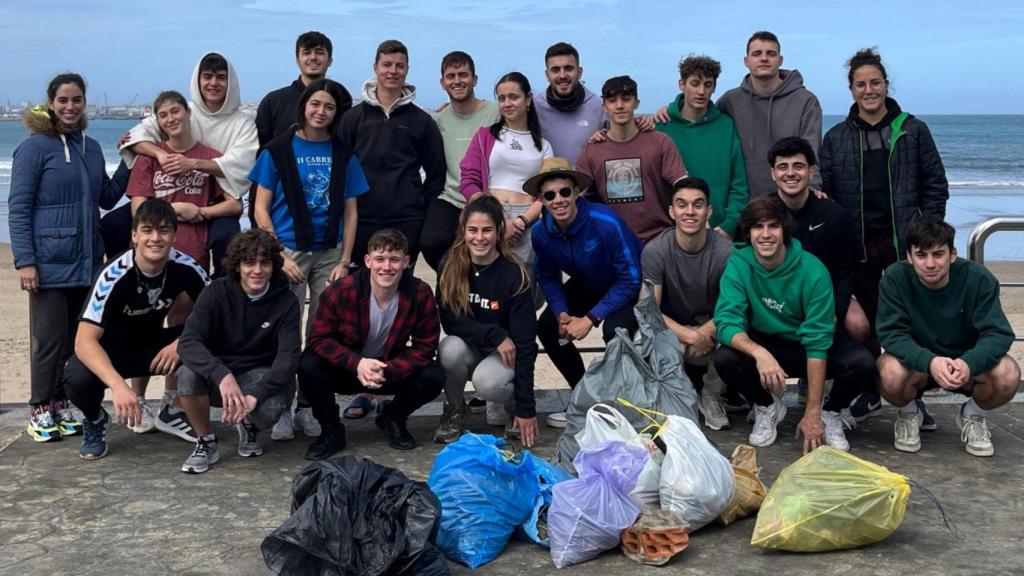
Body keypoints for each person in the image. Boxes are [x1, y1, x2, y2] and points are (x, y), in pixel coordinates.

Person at [820, 47, 949, 421]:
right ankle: (869, 392)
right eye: (861, 84)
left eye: (875, 82)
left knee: (909, 324)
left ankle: (912, 399)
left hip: (904, 245)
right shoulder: (837, 137)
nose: (869, 90)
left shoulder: (913, 129)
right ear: (851, 89)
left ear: (886, 84)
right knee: (865, 324)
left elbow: (936, 185)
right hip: (858, 246)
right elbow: (826, 193)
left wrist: (926, 236)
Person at [9, 73, 129, 443]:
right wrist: (25, 261)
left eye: (77, 100)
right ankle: (41, 408)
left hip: (87, 260)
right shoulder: (34, 147)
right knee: (48, 340)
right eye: (63, 100)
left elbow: (106, 198)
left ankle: (61, 404)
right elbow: (19, 208)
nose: (71, 106)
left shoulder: (91, 147)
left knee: (75, 341)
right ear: (50, 102)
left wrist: (126, 161)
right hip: (47, 262)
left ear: (84, 103)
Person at [250, 78, 369, 441]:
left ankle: (309, 406)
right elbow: (260, 208)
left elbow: (351, 213)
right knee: (283, 334)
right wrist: (277, 255)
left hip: (330, 253)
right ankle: (282, 408)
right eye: (315, 104)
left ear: (336, 114)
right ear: (304, 106)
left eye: (329, 107)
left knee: (321, 334)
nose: (321, 112)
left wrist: (345, 260)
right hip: (287, 251)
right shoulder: (276, 150)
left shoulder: (343, 153)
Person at [713, 196, 873, 452]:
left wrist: (811, 412)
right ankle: (766, 405)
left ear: (784, 230)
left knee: (862, 364)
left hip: (805, 343)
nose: (765, 235)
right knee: (725, 359)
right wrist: (759, 352)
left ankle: (829, 412)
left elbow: (818, 341)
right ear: (748, 232)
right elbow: (725, 322)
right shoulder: (738, 264)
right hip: (766, 342)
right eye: (758, 227)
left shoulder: (812, 270)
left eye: (773, 226)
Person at [63, 199, 209, 460]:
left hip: (155, 346)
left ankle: (173, 409)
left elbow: (218, 313)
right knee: (76, 377)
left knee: (203, 342)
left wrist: (181, 343)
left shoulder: (186, 266)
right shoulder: (113, 275)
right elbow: (84, 342)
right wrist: (118, 386)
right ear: (134, 236)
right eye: (147, 230)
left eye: (164, 230)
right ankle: (96, 420)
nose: (155, 238)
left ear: (174, 235)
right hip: (111, 351)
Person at [877, 217, 1019, 457]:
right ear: (909, 257)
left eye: (938, 254)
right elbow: (891, 333)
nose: (930, 263)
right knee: (888, 371)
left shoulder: (979, 279)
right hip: (918, 366)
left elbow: (998, 333)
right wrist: (930, 361)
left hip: (965, 364)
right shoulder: (895, 278)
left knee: (1008, 373)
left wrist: (968, 362)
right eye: (921, 255)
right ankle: (910, 413)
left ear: (952, 254)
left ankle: (972, 415)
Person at [298, 229, 444, 458]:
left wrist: (390, 369)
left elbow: (425, 346)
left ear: (406, 262)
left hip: (388, 369)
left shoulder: (420, 292)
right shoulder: (341, 291)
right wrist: (357, 363)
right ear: (367, 261)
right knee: (308, 364)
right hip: (348, 369)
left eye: (394, 259)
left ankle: (393, 418)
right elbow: (318, 339)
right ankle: (331, 430)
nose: (386, 267)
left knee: (433, 374)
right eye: (380, 259)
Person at [111, 52, 258, 275]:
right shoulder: (181, 109)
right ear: (197, 81)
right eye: (207, 76)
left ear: (231, 82)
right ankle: (123, 276)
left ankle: (219, 291)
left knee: (226, 238)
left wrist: (192, 164)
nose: (213, 83)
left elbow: (242, 165)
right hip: (167, 195)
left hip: (215, 195)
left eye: (220, 77)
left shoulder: (242, 124)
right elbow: (136, 138)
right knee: (114, 224)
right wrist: (160, 155)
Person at [526, 157, 643, 427]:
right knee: (546, 327)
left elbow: (632, 278)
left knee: (614, 332)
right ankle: (584, 398)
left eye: (565, 192)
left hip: (627, 286)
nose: (559, 200)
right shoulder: (541, 233)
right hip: (588, 282)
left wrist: (591, 319)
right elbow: (547, 275)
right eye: (550, 195)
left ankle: (620, 405)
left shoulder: (606, 222)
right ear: (541, 200)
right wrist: (561, 312)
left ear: (577, 192)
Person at [768, 136, 878, 420]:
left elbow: (845, 273)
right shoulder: (762, 215)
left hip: (823, 297)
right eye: (783, 167)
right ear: (772, 174)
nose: (790, 173)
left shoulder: (833, 214)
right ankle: (765, 403)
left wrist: (834, 312)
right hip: (776, 300)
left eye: (798, 166)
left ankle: (834, 407)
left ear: (811, 172)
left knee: (859, 325)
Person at [175, 229, 301, 473]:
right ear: (237, 265)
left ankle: (250, 425)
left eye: (265, 263)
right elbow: (188, 341)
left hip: (259, 372)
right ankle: (206, 440)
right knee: (186, 375)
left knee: (269, 410)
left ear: (274, 265)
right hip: (221, 374)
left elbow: (289, 357)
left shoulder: (286, 301)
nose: (257, 270)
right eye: (249, 262)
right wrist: (221, 374)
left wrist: (255, 395)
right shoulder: (215, 292)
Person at [434, 196, 538, 446]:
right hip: (476, 345)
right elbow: (450, 321)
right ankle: (455, 410)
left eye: (486, 230)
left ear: (499, 231)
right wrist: (495, 335)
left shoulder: (515, 274)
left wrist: (527, 408)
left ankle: (512, 408)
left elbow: (525, 343)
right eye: (472, 230)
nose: (479, 237)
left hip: (505, 356)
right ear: (463, 231)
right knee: (448, 348)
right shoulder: (450, 265)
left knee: (487, 383)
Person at [337, 39, 445, 265]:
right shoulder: (352, 118)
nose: (392, 71)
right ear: (375, 67)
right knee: (360, 290)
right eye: (386, 64)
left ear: (407, 70)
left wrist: (418, 209)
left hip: (406, 219)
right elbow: (339, 170)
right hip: (361, 218)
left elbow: (436, 173)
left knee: (403, 289)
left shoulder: (422, 121)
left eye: (399, 65)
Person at [641, 177, 733, 430]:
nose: (690, 212)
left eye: (697, 205)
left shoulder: (726, 252)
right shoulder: (655, 251)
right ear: (671, 211)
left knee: (736, 332)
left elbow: (732, 307)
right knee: (643, 337)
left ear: (709, 211)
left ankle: (711, 396)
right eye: (682, 205)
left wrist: (704, 332)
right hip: (673, 325)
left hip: (713, 324)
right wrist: (690, 337)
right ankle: (670, 404)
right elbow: (650, 310)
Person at [125, 91, 240, 271]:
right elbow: (138, 211)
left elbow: (235, 205)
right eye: (163, 115)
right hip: (151, 250)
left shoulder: (209, 157)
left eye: (175, 111)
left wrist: (200, 211)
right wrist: (175, 210)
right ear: (158, 122)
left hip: (193, 249)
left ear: (188, 112)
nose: (170, 119)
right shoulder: (148, 158)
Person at [575, 76, 687, 243]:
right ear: (604, 106)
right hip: (614, 242)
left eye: (626, 99)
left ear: (637, 103)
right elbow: (576, 195)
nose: (620, 106)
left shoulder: (660, 142)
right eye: (612, 101)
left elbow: (682, 184)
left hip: (659, 239)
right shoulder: (593, 149)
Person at [460, 72, 553, 265]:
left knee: (525, 286)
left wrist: (520, 222)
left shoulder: (543, 146)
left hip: (527, 222)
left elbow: (547, 193)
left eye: (514, 97)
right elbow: (469, 181)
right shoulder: (484, 136)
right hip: (487, 219)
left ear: (528, 99)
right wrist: (496, 218)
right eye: (502, 98)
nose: (507, 103)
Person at [419, 50, 500, 272]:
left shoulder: (496, 113)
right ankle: (455, 281)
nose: (457, 81)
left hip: (489, 197)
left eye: (463, 75)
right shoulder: (438, 120)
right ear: (442, 83)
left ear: (475, 79)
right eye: (451, 76)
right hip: (452, 197)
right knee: (431, 241)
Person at [717, 31, 823, 198]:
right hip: (745, 203)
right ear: (746, 61)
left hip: (791, 200)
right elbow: (703, 120)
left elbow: (812, 152)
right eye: (757, 54)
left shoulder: (806, 101)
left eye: (771, 54)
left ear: (780, 60)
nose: (764, 58)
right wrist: (671, 110)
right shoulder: (729, 101)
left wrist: (813, 187)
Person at [655, 55, 748, 240]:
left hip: (720, 233)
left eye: (707, 84)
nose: (701, 91)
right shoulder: (662, 127)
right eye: (695, 83)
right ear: (682, 84)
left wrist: (730, 225)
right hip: (674, 235)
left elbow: (739, 184)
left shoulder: (725, 125)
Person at [534, 42, 653, 166]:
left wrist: (643, 123)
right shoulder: (534, 107)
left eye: (569, 68)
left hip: (590, 183)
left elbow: (624, 135)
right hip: (548, 183)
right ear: (547, 75)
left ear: (579, 72)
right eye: (555, 70)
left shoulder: (598, 105)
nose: (562, 75)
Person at [255, 31, 352, 147]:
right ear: (297, 60)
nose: (313, 57)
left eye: (319, 52)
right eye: (306, 53)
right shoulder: (273, 102)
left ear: (330, 60)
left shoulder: (341, 100)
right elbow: (259, 150)